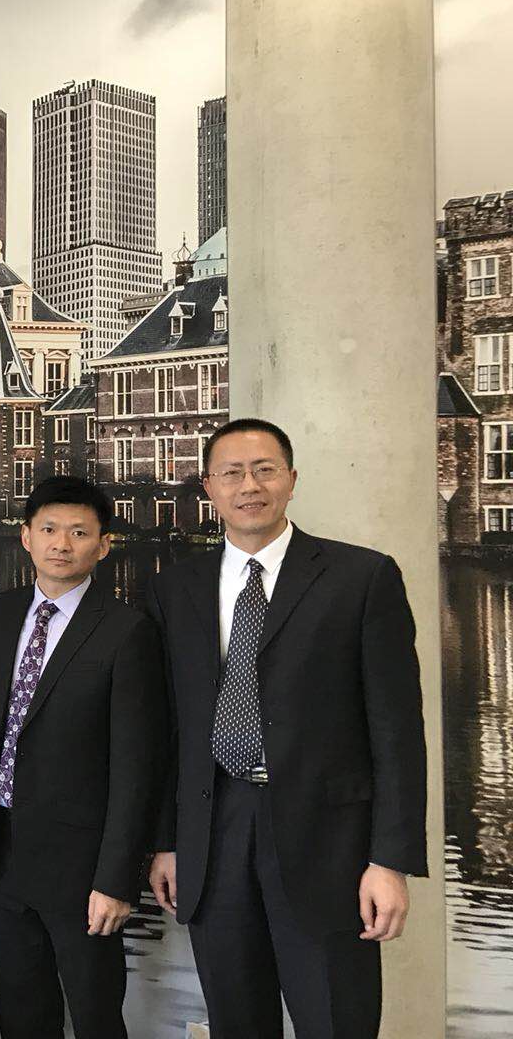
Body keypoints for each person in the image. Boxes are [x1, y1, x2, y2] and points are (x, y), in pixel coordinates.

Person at [147, 418, 428, 1039]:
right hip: (213, 835)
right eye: (232, 473)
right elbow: (168, 729)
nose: (249, 486)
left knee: (336, 1020)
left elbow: (397, 732)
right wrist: (167, 841)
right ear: (209, 487)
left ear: (292, 480)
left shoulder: (361, 578)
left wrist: (390, 860)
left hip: (329, 846)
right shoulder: (175, 588)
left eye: (264, 470)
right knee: (236, 1021)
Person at [0, 475, 166, 1039]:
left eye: (79, 533)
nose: (62, 544)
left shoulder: (127, 630)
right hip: (5, 851)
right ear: (26, 538)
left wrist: (116, 879)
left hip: (83, 867)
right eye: (50, 529)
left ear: (103, 545)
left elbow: (137, 767)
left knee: (95, 1016)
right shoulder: (3, 612)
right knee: (21, 1014)